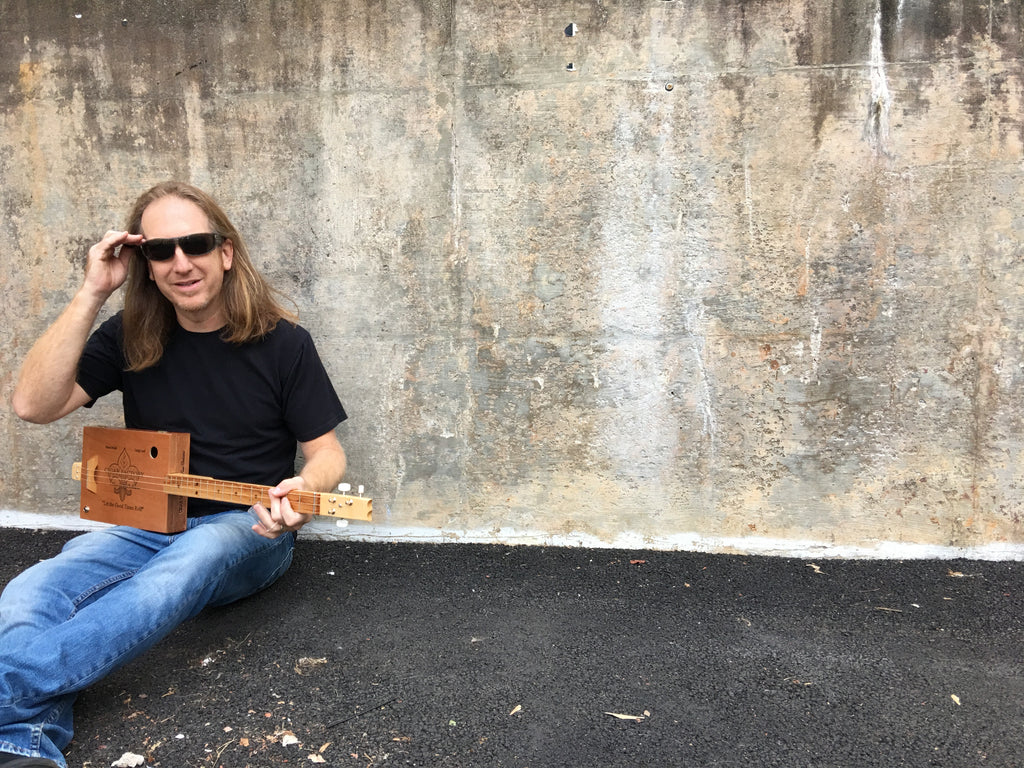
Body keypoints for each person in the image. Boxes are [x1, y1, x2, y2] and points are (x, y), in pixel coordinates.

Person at [3, 181, 349, 768]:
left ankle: (8, 693)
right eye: (161, 250)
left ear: (225, 252)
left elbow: (328, 454)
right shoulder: (129, 335)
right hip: (146, 522)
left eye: (195, 244)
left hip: (248, 531)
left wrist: (304, 490)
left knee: (183, 565)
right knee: (32, 590)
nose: (180, 262)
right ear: (144, 264)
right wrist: (92, 292)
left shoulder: (283, 342)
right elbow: (34, 405)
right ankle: (21, 740)